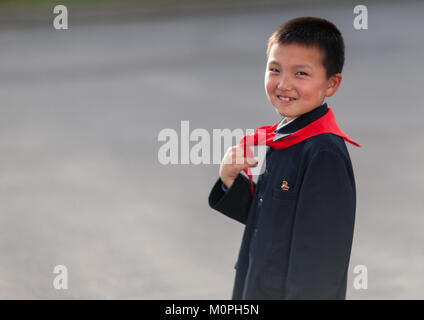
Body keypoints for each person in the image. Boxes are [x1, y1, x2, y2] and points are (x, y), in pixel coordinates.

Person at [208, 17, 361, 300]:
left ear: (331, 84)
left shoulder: (322, 152)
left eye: (300, 73)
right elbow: (273, 221)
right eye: (274, 69)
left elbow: (320, 257)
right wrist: (231, 179)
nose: (283, 83)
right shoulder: (284, 136)